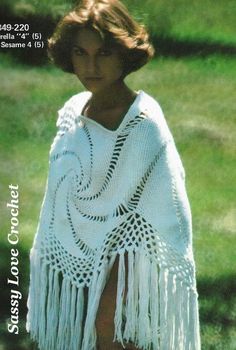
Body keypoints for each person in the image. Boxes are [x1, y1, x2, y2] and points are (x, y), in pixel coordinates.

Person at [26, 0, 201, 349]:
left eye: (103, 53)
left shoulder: (143, 122)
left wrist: (118, 266)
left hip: (130, 259)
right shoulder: (72, 113)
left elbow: (162, 207)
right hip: (80, 258)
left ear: (124, 53)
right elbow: (61, 197)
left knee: (111, 330)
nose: (90, 65)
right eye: (80, 52)